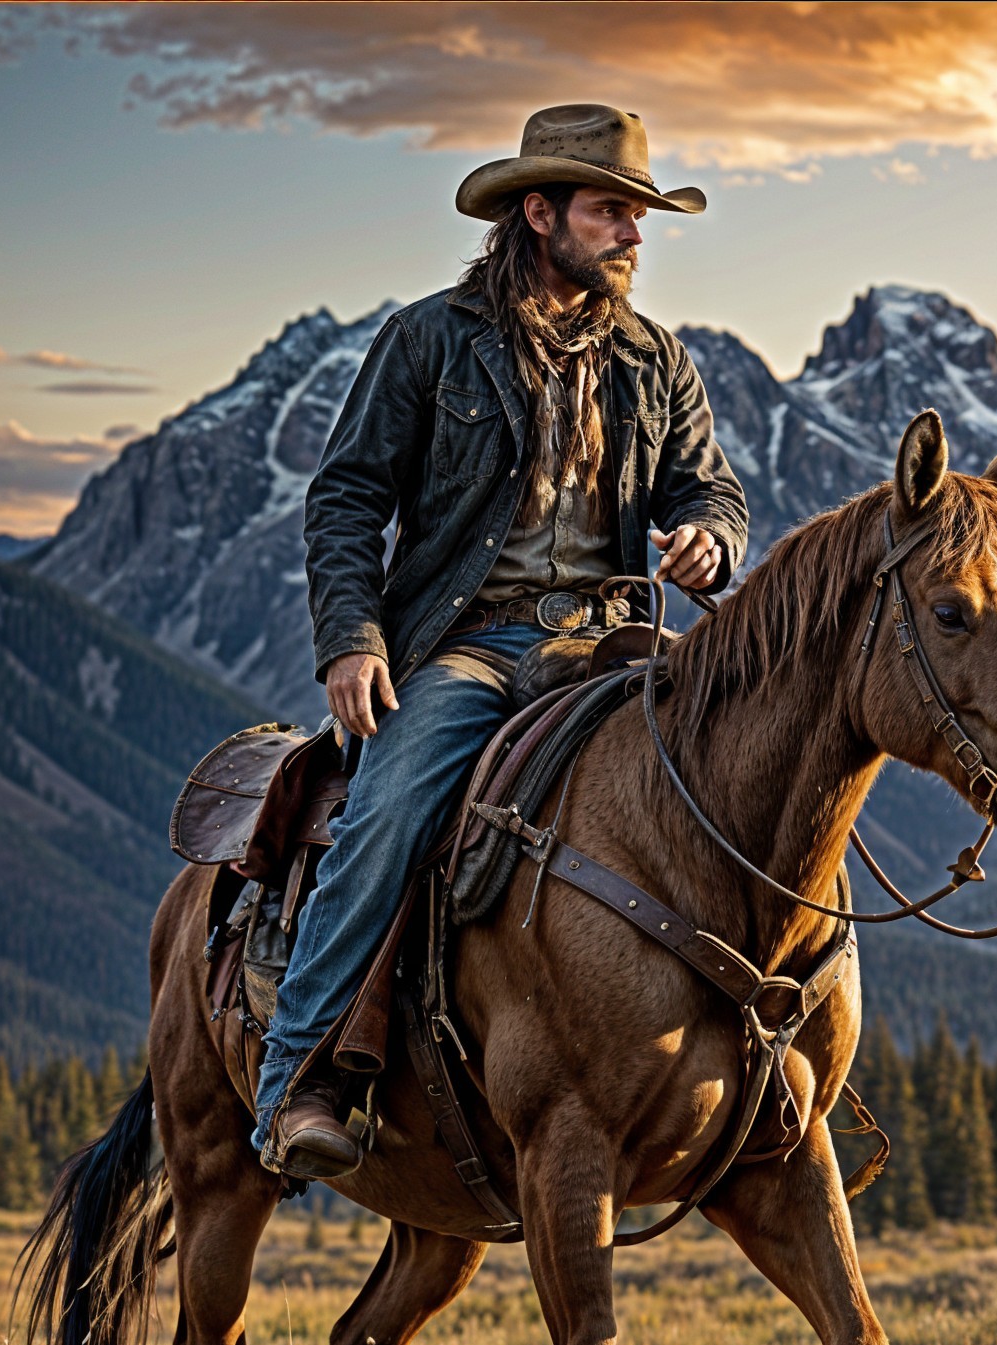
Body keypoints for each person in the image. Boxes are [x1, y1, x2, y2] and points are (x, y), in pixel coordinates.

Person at [257, 104, 747, 1177]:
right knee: (388, 812)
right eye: (610, 210)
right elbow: (346, 497)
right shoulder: (430, 340)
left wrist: (710, 538)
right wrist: (352, 641)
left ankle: (764, 1058)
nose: (632, 234)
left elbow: (708, 487)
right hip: (471, 645)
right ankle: (303, 1078)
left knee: (752, 771)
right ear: (538, 213)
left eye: (639, 215)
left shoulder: (655, 361)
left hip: (617, 646)